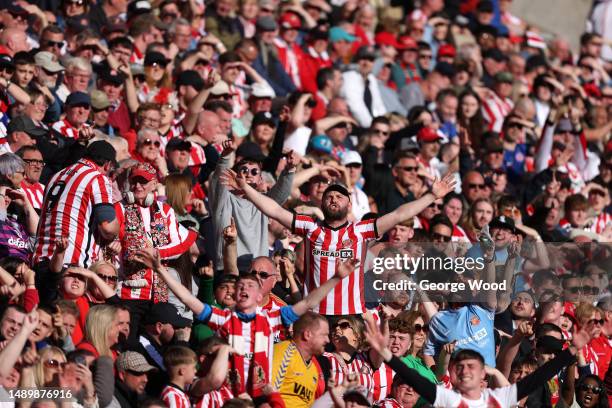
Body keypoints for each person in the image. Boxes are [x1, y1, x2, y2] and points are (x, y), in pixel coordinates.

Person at [219, 155, 456, 315]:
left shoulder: (361, 230)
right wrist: (247, 189)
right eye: (329, 196)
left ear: (349, 203)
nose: (333, 199)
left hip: (350, 314)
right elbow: (273, 209)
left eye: (339, 196)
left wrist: (431, 196)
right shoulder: (311, 227)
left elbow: (398, 214)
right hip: (313, 313)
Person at [363, 317, 596, 408]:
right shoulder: (448, 399)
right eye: (460, 366)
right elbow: (414, 378)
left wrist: (571, 351)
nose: (465, 370)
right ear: (453, 374)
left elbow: (537, 378)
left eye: (471, 366)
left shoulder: (498, 399)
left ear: (482, 374)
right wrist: (385, 353)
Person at [33, 140, 119, 268]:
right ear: (107, 165)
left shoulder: (56, 175)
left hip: (40, 257)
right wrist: (117, 228)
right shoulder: (98, 178)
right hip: (71, 262)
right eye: (111, 169)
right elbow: (108, 228)